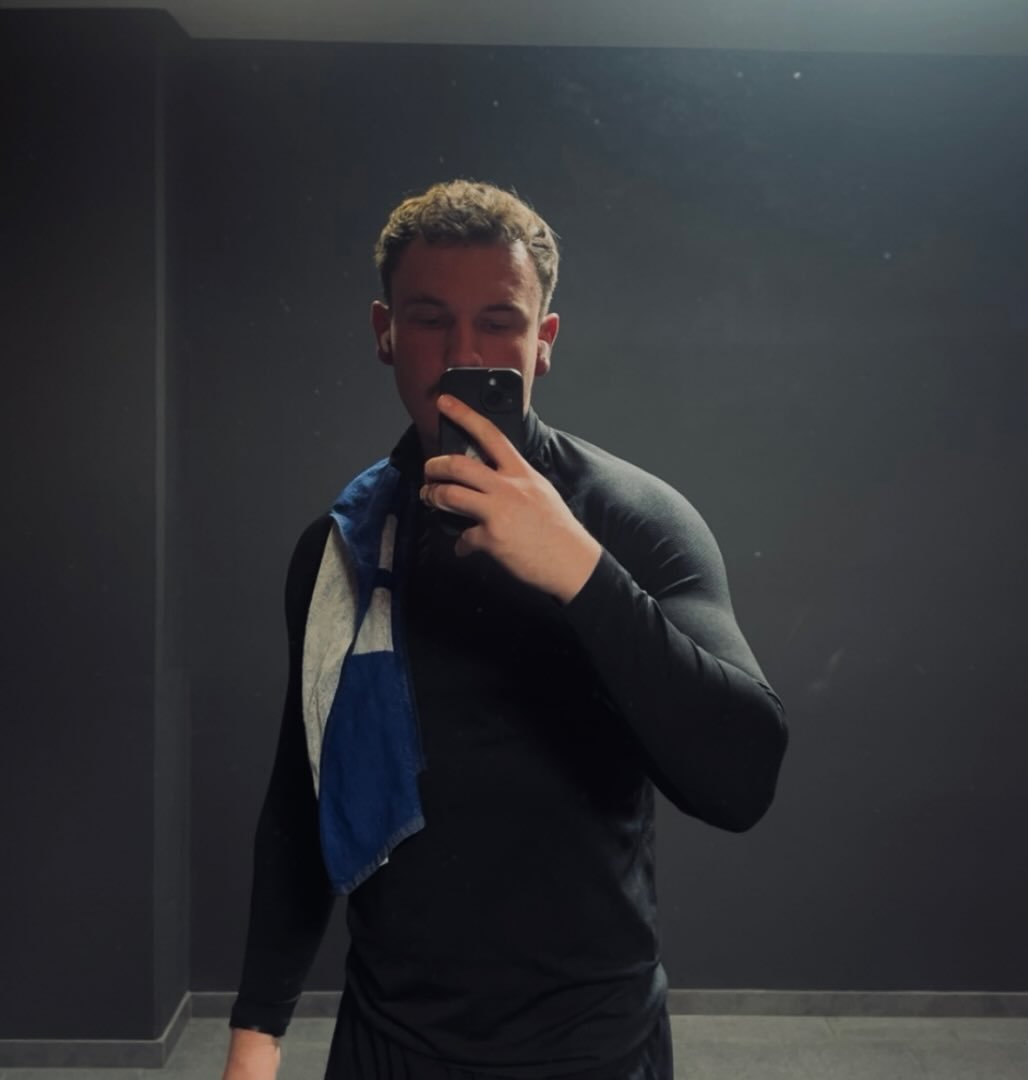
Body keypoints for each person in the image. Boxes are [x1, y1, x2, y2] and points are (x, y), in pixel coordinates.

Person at [222, 179, 788, 1080]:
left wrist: (581, 573)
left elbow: (742, 779)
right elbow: (303, 792)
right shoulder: (343, 550)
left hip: (596, 1048)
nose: (462, 355)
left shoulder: (634, 521)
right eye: (429, 320)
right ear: (385, 332)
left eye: (498, 322)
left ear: (542, 340)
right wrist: (256, 1035)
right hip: (389, 1043)